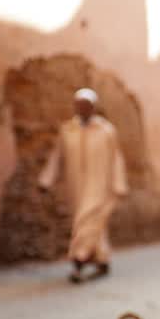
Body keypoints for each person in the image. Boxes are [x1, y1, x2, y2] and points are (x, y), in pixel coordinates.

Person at [39, 88, 128, 283]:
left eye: (86, 105)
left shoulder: (106, 131)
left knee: (87, 221)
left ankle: (78, 260)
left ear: (94, 107)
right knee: (90, 223)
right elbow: (57, 157)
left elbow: (116, 159)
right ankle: (101, 259)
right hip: (76, 185)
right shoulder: (67, 130)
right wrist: (46, 180)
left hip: (100, 185)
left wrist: (119, 184)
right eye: (79, 105)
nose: (82, 108)